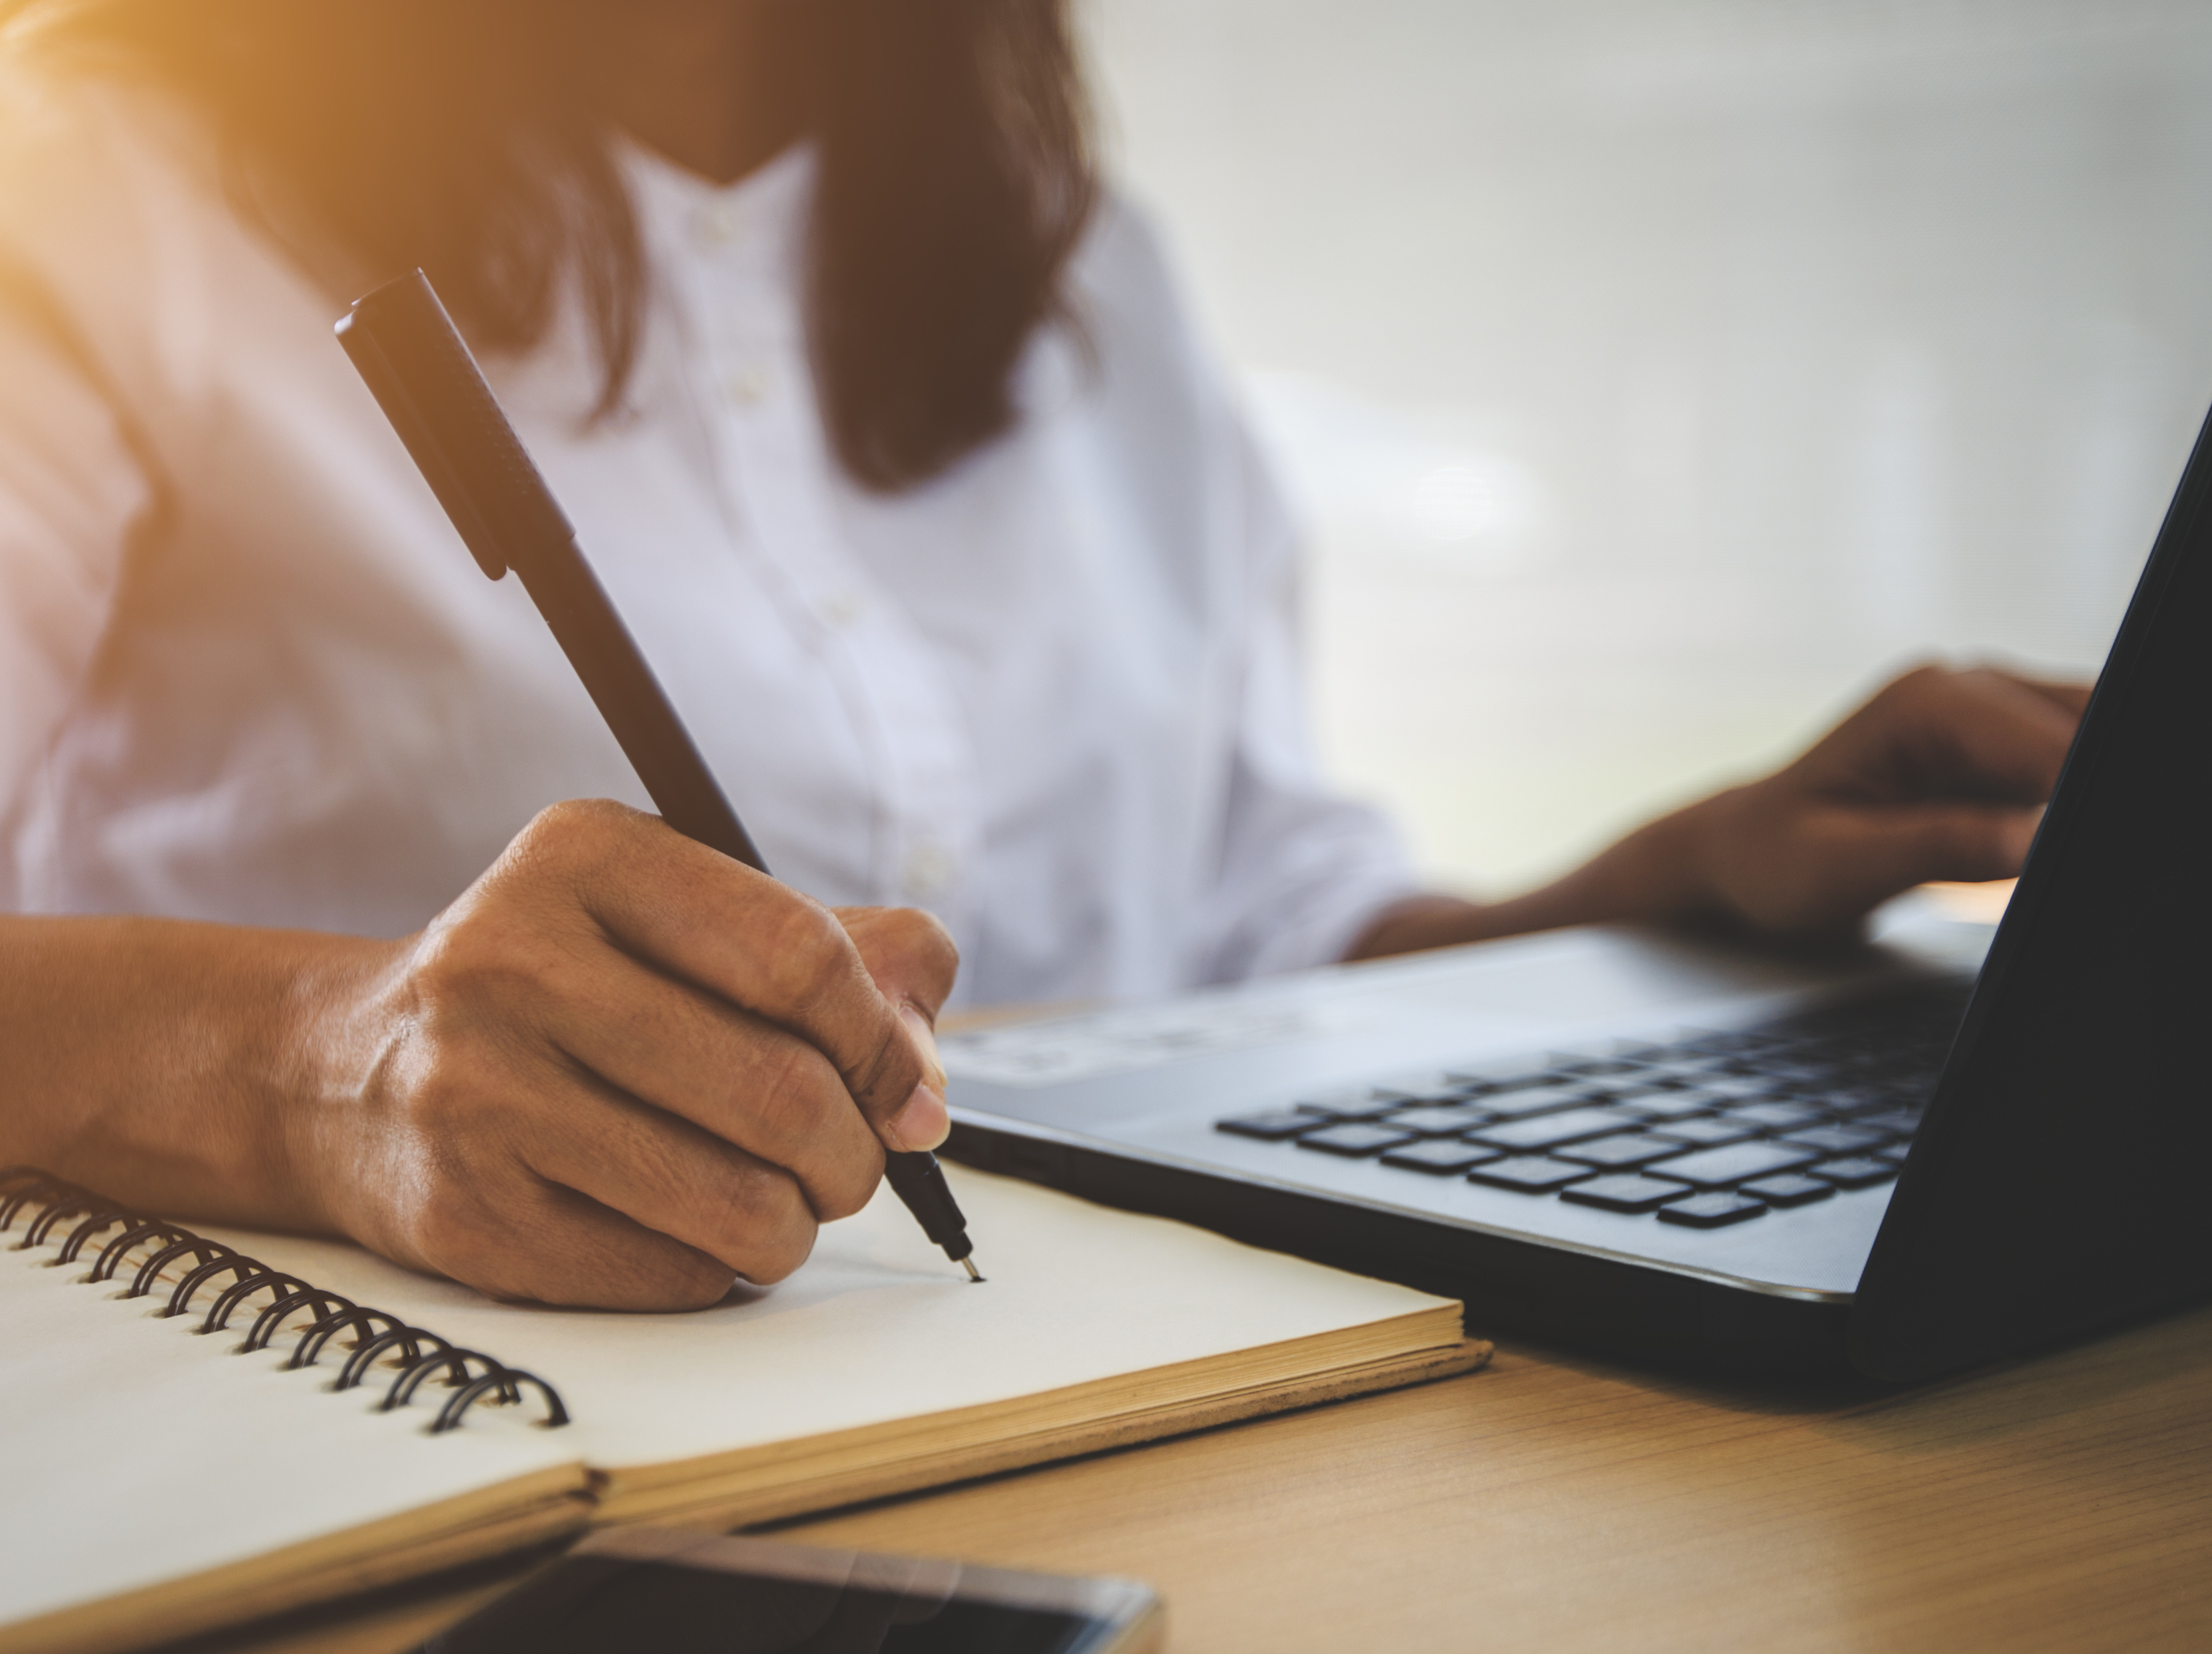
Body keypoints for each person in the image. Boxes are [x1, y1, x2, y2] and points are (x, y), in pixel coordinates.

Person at [0, 0, 2088, 1311]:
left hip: (1117, 1396)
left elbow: (1253, 936)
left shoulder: (1080, 270)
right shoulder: (93, 188)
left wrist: (1677, 876)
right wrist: (319, 1066)